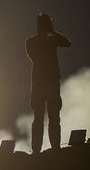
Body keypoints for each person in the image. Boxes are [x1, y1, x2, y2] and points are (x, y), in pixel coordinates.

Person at [25, 13, 71, 154]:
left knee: (41, 117)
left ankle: (38, 150)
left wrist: (51, 33)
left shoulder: (31, 41)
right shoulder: (47, 41)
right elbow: (67, 43)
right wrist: (52, 32)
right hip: (48, 82)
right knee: (51, 117)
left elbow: (67, 43)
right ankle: (53, 148)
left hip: (41, 82)